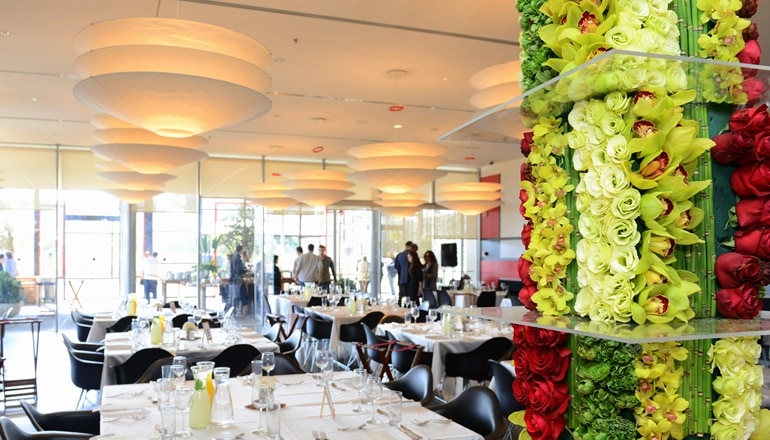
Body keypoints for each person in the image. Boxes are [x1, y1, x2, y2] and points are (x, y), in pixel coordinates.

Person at [229, 244, 246, 313]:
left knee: (235, 295)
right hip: (238, 278)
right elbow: (238, 269)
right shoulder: (237, 258)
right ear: (240, 250)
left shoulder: (234, 257)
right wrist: (245, 271)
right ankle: (236, 311)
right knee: (238, 295)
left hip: (234, 278)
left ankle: (234, 311)